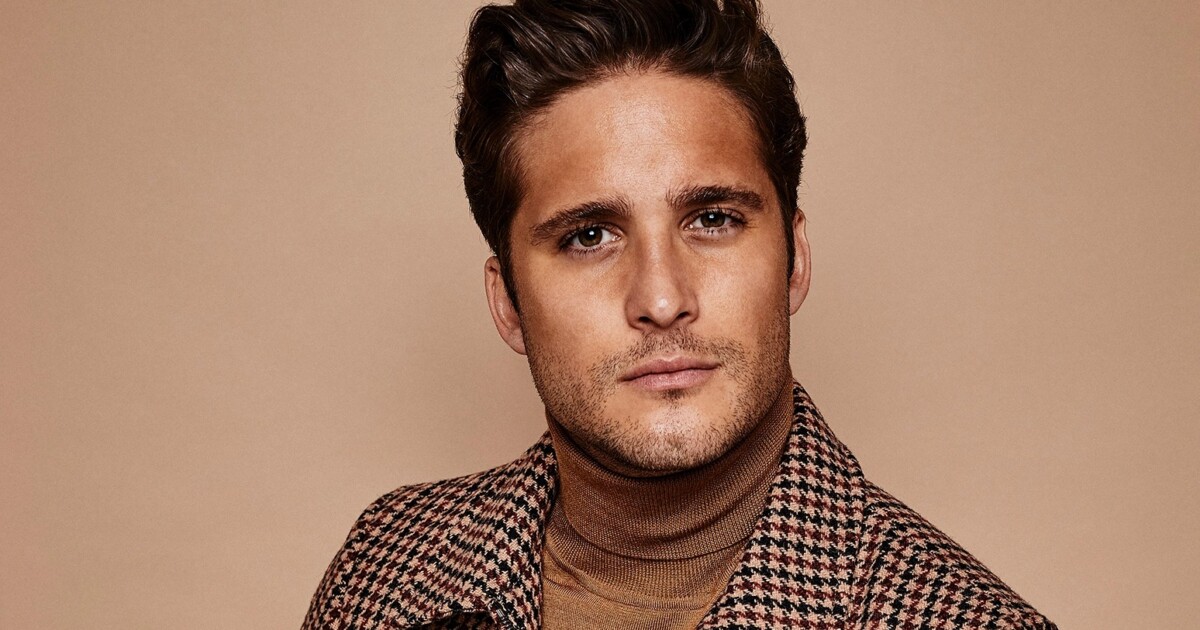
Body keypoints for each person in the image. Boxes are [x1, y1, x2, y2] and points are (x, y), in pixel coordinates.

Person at [303, 1, 1055, 628]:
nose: (662, 301)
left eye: (714, 220)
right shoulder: (384, 571)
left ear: (794, 259)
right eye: (588, 236)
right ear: (508, 304)